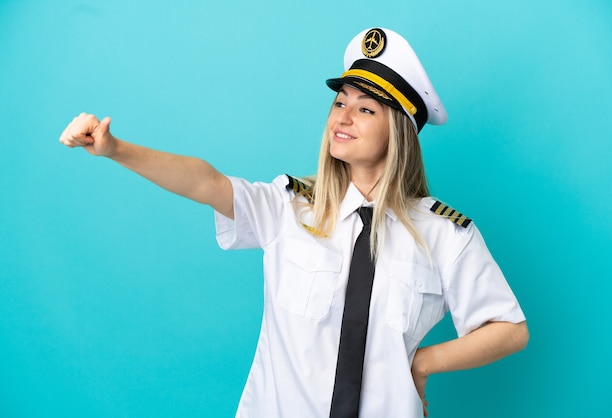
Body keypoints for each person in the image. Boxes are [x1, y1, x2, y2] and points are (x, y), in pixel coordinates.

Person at [59, 28, 528, 418]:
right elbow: (207, 182)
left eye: (365, 109)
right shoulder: (291, 207)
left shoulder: (445, 233)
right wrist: (115, 149)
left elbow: (509, 328)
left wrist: (424, 361)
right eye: (340, 102)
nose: (343, 118)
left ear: (400, 131)